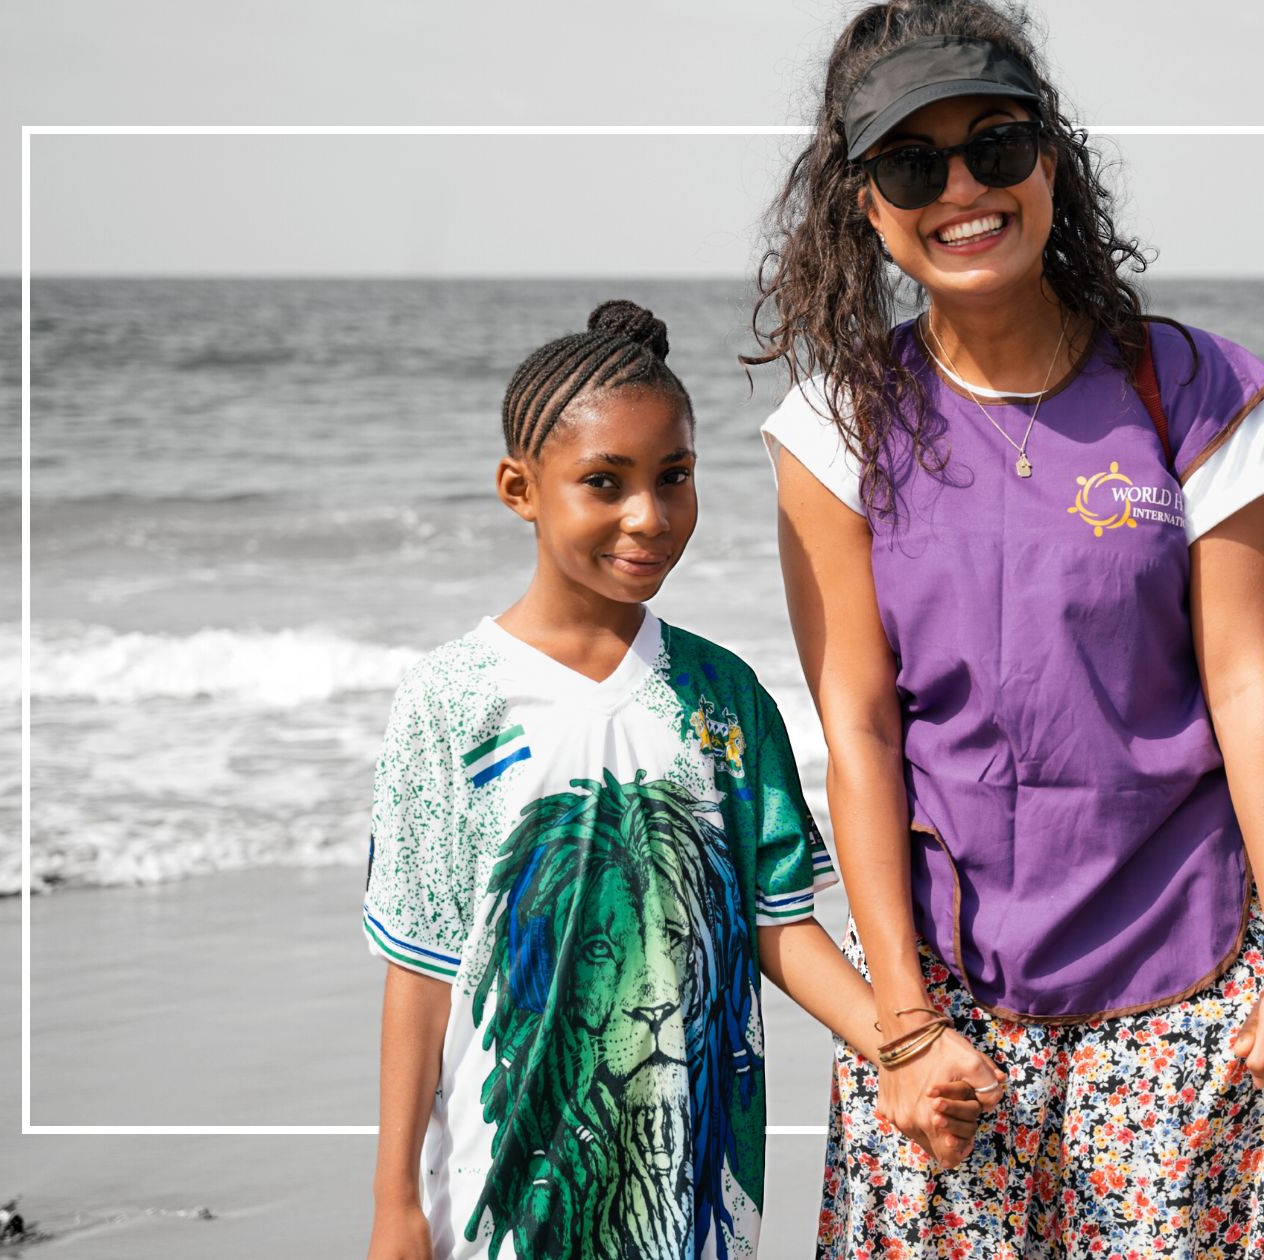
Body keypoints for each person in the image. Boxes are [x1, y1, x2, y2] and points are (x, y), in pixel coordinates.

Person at [749, 1, 1264, 1253]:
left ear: (1051, 162)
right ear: (863, 205)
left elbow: (1246, 695)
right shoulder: (837, 423)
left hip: (1183, 970)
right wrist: (902, 1027)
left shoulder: (1189, 391)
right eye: (913, 162)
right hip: (946, 987)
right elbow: (858, 730)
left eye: (996, 145)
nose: (962, 188)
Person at [360, 301, 936, 1260]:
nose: (651, 517)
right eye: (604, 483)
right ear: (520, 488)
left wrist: (904, 1050)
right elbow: (418, 973)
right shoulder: (450, 702)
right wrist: (394, 1209)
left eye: (675, 478)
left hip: (698, 1201)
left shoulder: (723, 698)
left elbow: (778, 925)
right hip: (507, 1202)